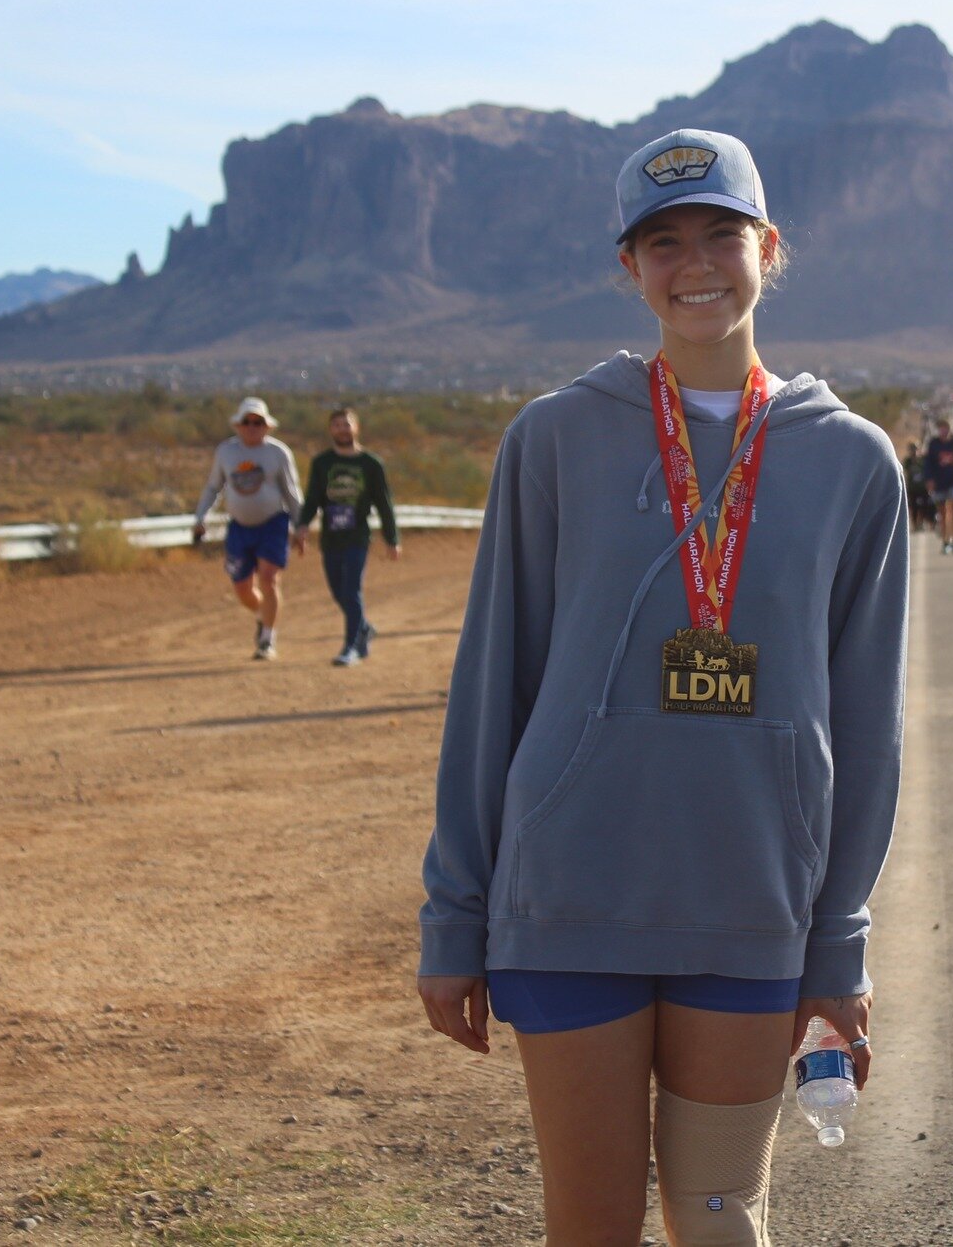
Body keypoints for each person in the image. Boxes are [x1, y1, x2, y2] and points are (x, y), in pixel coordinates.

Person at [416, 128, 908, 1245]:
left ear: (768, 247)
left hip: (747, 901)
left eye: (720, 235)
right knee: (590, 1229)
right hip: (568, 900)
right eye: (662, 241)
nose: (694, 263)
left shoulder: (850, 462)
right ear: (627, 269)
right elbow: (490, 688)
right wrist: (455, 917)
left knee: (720, 1220)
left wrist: (839, 944)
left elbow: (867, 730)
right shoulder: (551, 440)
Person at [192, 397, 303, 660]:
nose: (252, 427)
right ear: (238, 426)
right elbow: (213, 487)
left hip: (273, 523)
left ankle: (267, 639)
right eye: (247, 422)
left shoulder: (278, 453)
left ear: (267, 426)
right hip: (240, 527)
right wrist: (200, 517)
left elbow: (292, 491)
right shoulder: (226, 452)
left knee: (268, 577)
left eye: (258, 422)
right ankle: (262, 615)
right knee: (242, 587)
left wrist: (300, 525)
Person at [294, 407, 401, 667]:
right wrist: (303, 526)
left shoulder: (371, 464)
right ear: (331, 430)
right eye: (337, 425)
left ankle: (351, 646)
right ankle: (363, 628)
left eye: (347, 424)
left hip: (358, 537)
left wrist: (392, 538)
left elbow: (384, 503)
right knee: (337, 590)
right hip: (331, 537)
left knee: (352, 590)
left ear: (357, 428)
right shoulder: (322, 463)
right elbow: (312, 499)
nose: (342, 429)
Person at [921, 416, 953, 554]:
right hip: (939, 482)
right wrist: (929, 479)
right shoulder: (934, 444)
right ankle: (946, 541)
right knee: (943, 511)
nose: (943, 431)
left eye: (946, 427)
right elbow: (928, 463)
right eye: (941, 428)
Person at [902, 439, 935, 533]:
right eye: (912, 450)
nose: (914, 452)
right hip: (912, 488)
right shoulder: (908, 461)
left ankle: (922, 522)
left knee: (924, 506)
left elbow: (929, 469)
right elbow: (905, 471)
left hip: (923, 487)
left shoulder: (923, 460)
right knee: (913, 506)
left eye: (915, 449)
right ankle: (915, 524)